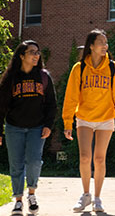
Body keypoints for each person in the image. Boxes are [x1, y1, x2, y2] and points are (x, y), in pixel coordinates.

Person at [62, 29, 115, 213]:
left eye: (106, 42)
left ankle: (97, 198)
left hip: (106, 118)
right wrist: (68, 122)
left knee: (99, 159)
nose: (105, 45)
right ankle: (85, 195)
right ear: (91, 46)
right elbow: (71, 97)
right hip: (84, 118)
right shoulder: (79, 68)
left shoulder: (114, 68)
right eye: (101, 42)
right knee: (84, 157)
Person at [0, 40, 56, 216]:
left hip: (36, 128)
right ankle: (18, 200)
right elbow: (1, 106)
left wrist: (48, 125)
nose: (36, 55)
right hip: (14, 128)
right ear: (22, 56)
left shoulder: (43, 76)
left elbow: (51, 104)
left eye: (38, 52)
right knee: (16, 165)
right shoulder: (11, 78)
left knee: (34, 162)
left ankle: (32, 194)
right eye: (32, 52)